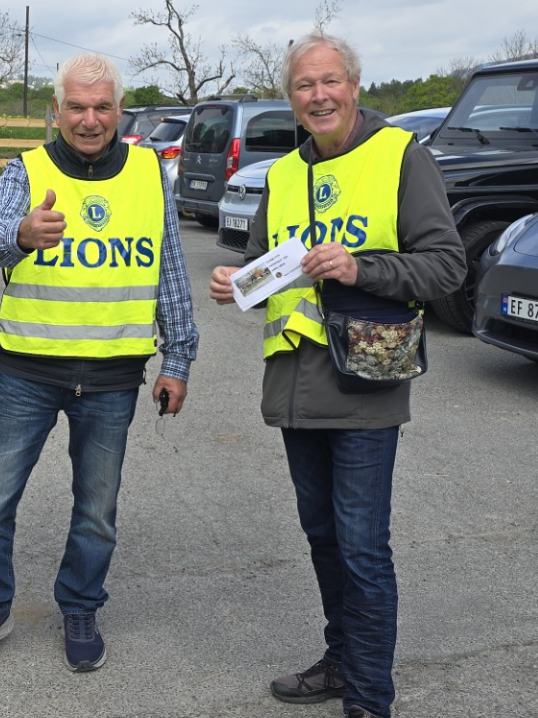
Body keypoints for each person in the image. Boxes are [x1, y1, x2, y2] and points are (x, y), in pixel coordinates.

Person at [208, 33, 466, 718]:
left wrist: (361, 267)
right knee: (324, 540)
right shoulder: (284, 173)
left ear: (354, 86)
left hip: (367, 378)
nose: (318, 96)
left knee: (361, 548)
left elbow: (446, 266)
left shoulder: (401, 157)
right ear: (289, 97)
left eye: (330, 82)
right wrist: (237, 282)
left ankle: (370, 698)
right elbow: (265, 266)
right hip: (296, 385)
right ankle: (343, 662)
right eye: (303, 86)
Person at [0, 52, 199, 680]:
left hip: (113, 379)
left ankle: (81, 607)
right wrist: (23, 236)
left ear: (119, 110)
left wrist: (179, 357)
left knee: (96, 510)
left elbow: (168, 270)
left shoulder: (148, 172)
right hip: (27, 373)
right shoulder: (25, 170)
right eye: (77, 108)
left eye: (102, 107)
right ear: (57, 112)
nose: (90, 119)